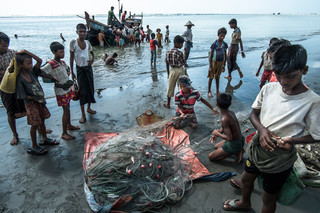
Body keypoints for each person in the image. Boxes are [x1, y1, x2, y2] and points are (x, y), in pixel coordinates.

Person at [223, 44, 320, 212]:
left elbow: (317, 136)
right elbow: (253, 114)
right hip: (258, 148)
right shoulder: (269, 88)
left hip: (279, 159)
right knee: (246, 178)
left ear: (304, 70)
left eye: (290, 76)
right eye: (278, 75)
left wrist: (292, 140)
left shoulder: (312, 101)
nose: (283, 82)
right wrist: (261, 130)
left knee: (268, 196)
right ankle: (245, 203)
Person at [16, 50, 59, 156]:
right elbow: (22, 95)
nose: (31, 65)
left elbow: (39, 60)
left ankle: (44, 139)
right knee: (35, 124)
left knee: (42, 120)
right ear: (20, 65)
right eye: (28, 63)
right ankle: (34, 145)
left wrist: (26, 52)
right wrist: (34, 97)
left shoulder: (33, 72)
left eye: (31, 62)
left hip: (40, 101)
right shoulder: (20, 79)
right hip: (31, 104)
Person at [41, 42, 80, 141]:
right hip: (60, 91)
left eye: (63, 51)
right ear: (54, 52)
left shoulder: (62, 62)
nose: (63, 54)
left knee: (68, 108)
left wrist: (68, 72)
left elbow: (67, 69)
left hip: (67, 88)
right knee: (65, 110)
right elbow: (40, 72)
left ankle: (69, 125)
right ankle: (64, 133)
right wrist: (51, 78)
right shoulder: (51, 64)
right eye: (60, 52)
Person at [0, 32, 26, 145]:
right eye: (3, 46)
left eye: (7, 45)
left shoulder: (12, 53)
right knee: (10, 112)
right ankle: (15, 135)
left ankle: (39, 128)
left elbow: (21, 64)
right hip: (5, 89)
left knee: (27, 107)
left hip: (17, 86)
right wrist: (6, 73)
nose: (6, 48)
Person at [70, 23, 96, 124]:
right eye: (80, 31)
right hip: (80, 69)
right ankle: (83, 115)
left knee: (90, 88)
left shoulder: (87, 42)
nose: (82, 33)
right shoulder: (73, 43)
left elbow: (91, 52)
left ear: (86, 32)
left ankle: (89, 108)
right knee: (82, 91)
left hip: (88, 68)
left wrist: (92, 60)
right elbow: (72, 58)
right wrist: (72, 72)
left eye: (84, 31)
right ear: (77, 32)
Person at [208, 93, 244, 163]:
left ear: (217, 104)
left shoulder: (224, 119)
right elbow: (225, 128)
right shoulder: (231, 112)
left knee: (211, 157)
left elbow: (229, 138)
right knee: (216, 146)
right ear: (230, 103)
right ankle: (238, 150)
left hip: (234, 143)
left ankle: (237, 152)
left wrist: (217, 134)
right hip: (240, 139)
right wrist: (219, 132)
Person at [163, 35, 185, 109]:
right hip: (180, 70)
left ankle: (168, 104)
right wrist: (186, 51)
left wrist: (168, 73)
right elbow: (184, 62)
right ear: (177, 43)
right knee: (181, 87)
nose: (182, 45)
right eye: (181, 44)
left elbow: (166, 63)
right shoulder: (180, 53)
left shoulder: (168, 52)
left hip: (172, 70)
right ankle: (181, 105)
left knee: (170, 86)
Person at [208, 27, 228, 97]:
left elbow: (225, 55)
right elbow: (211, 55)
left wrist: (224, 66)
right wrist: (210, 66)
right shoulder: (214, 44)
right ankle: (209, 91)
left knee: (217, 77)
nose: (222, 37)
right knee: (211, 77)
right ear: (218, 35)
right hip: (214, 62)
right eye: (221, 36)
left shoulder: (224, 44)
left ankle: (217, 90)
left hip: (221, 62)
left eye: (224, 36)